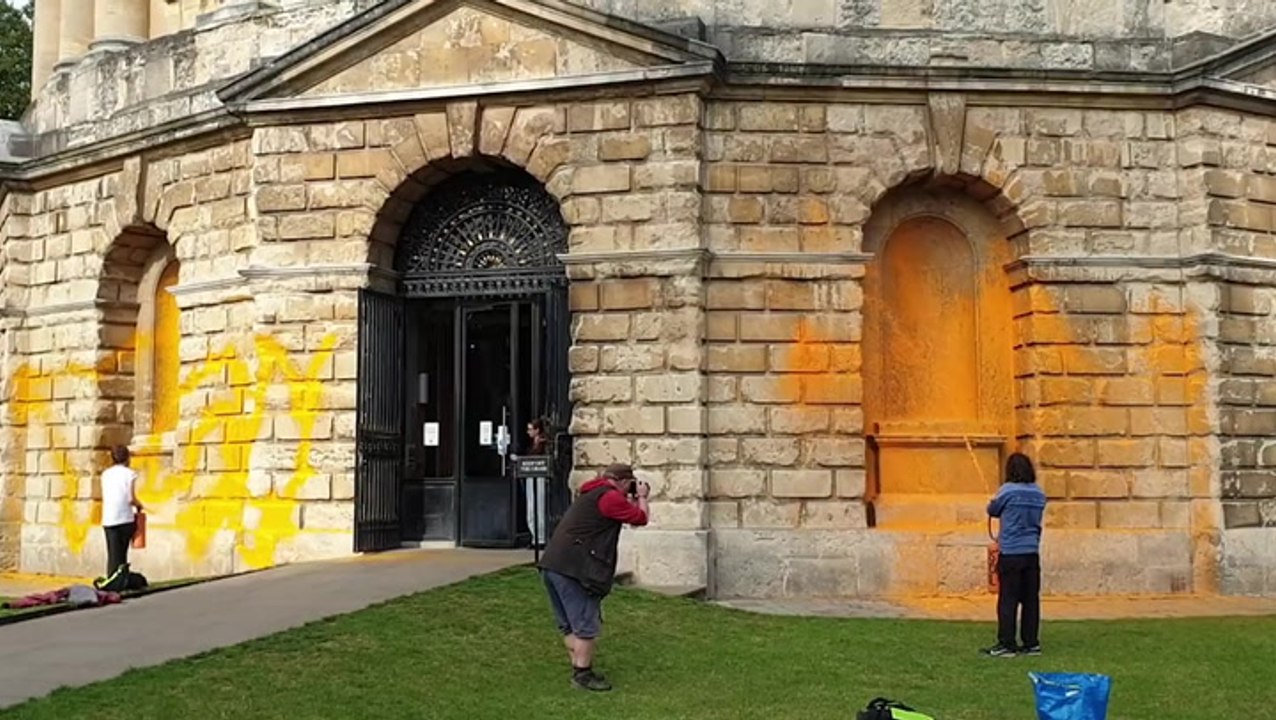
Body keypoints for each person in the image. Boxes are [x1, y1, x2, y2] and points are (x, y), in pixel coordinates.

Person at [537, 464, 650, 692]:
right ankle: (582, 675)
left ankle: (578, 667)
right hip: (574, 569)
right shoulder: (610, 498)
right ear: (622, 481)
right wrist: (643, 497)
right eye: (630, 484)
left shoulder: (590, 493)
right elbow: (640, 518)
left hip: (553, 564)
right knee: (585, 626)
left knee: (569, 626)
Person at [982, 452, 1047, 658]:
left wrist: (991, 502)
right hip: (1031, 551)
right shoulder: (1038, 493)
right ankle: (1031, 643)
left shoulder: (1007, 490)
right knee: (1030, 600)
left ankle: (1007, 643)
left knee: (1007, 600)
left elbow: (993, 510)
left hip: (1011, 552)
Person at [100, 445, 143, 582]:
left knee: (112, 553)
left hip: (109, 518)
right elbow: (131, 498)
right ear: (127, 458)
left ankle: (112, 578)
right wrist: (139, 505)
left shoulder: (105, 474)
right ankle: (120, 579)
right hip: (125, 518)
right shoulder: (130, 474)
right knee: (122, 553)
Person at [524, 417, 551, 548]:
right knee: (531, 507)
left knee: (538, 506)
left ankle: (540, 538)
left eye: (530, 429)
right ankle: (535, 537)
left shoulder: (543, 444)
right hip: (531, 476)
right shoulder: (533, 444)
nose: (528, 432)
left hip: (539, 476)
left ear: (537, 430)